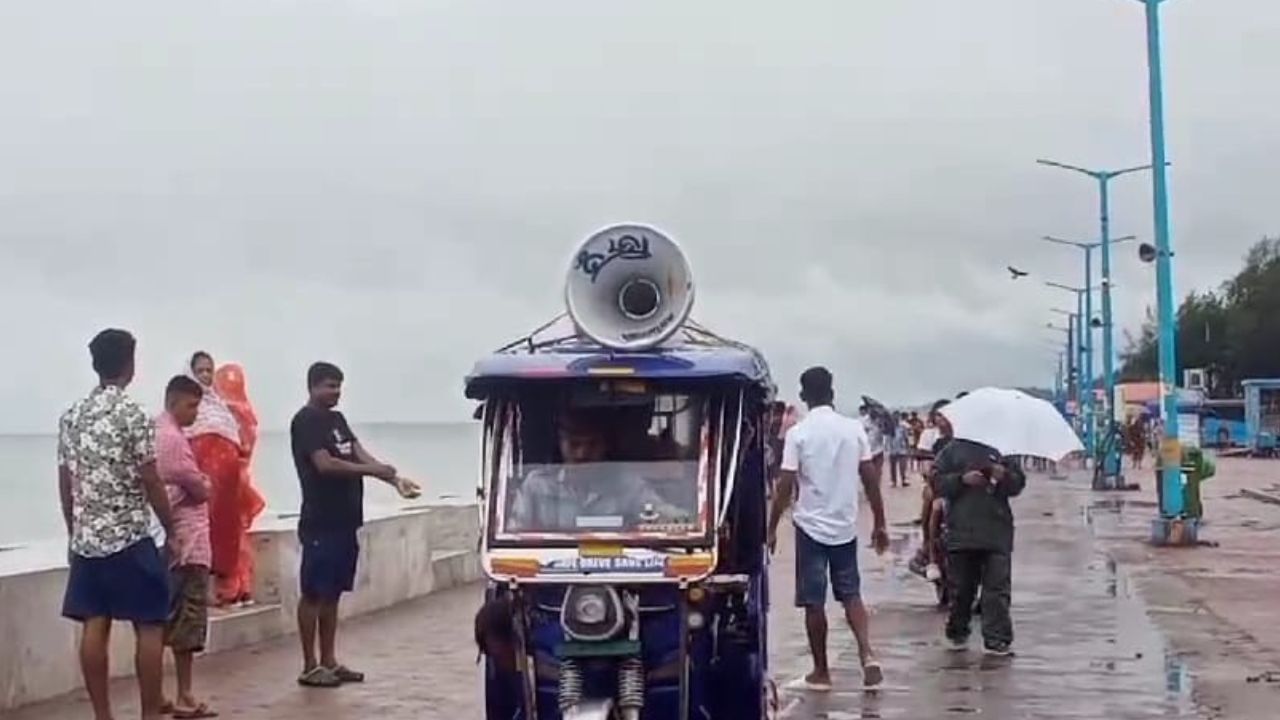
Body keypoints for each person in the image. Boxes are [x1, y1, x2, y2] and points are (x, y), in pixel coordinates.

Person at [59, 329, 175, 720]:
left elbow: (66, 481)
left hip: (88, 539)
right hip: (129, 536)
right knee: (150, 625)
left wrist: (74, 530)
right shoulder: (134, 415)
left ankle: (102, 715)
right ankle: (149, 714)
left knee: (95, 621)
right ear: (129, 363)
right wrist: (171, 528)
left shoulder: (72, 416)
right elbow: (151, 478)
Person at [291, 362, 421, 688]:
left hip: (345, 520)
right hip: (320, 520)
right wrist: (371, 472)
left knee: (333, 592)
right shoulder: (306, 421)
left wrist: (392, 477)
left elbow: (358, 453)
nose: (335, 392)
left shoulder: (337, 420)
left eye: (338, 386)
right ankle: (309, 665)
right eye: (329, 386)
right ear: (313, 387)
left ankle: (330, 660)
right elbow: (326, 464)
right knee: (313, 593)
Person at [767, 367, 888, 691]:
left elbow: (785, 484)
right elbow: (871, 479)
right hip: (845, 525)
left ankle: (821, 672)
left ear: (804, 396)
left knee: (814, 600)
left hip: (810, 526)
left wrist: (772, 526)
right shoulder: (854, 430)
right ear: (832, 393)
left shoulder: (798, 434)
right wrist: (880, 523)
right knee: (851, 594)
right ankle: (867, 653)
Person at [508, 408, 686, 532]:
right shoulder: (537, 486)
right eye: (574, 444)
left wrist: (682, 521)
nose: (582, 454)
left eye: (592, 444)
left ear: (605, 446)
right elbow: (515, 535)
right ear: (560, 444)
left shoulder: (626, 484)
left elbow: (663, 513)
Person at [155, 376, 218, 719]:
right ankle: (184, 694)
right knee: (186, 624)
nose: (195, 414)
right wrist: (204, 482)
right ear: (174, 402)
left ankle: (164, 694)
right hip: (187, 544)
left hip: (170, 544)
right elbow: (198, 486)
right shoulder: (172, 441)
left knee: (163, 623)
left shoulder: (155, 431)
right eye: (191, 406)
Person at [934, 438, 1026, 655]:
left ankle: (997, 639)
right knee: (963, 590)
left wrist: (1003, 476)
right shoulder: (952, 451)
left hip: (997, 531)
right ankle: (957, 631)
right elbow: (937, 483)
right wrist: (961, 480)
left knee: (997, 589)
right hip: (962, 532)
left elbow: (1018, 484)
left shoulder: (1004, 450)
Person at [185, 351, 245, 606]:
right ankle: (202, 594)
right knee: (201, 531)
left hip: (226, 484)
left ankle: (223, 589)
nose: (206, 376)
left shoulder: (220, 406)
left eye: (210, 370)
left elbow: (237, 440)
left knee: (224, 532)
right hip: (202, 483)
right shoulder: (186, 407)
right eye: (200, 371)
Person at [213, 363, 266, 606]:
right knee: (237, 536)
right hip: (239, 478)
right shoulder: (247, 414)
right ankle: (242, 587)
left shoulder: (221, 412)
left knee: (230, 536)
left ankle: (231, 589)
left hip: (226, 479)